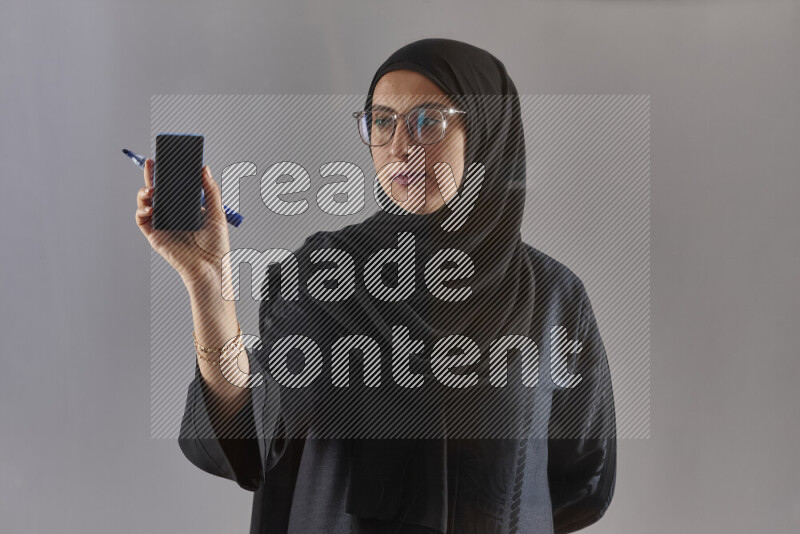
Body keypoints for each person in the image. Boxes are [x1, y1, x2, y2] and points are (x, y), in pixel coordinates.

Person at [135, 38, 616, 534]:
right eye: (382, 122)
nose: (401, 146)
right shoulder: (324, 275)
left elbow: (584, 480)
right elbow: (253, 429)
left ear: (487, 130)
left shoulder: (556, 298)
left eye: (429, 121)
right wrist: (209, 284)